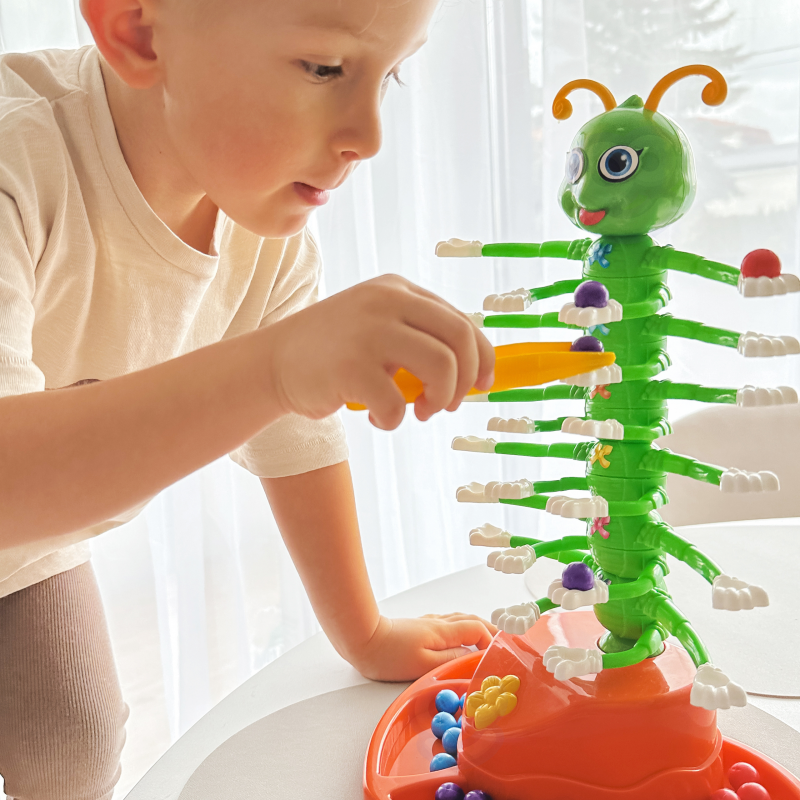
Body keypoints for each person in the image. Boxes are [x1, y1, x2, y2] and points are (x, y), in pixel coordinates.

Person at [0, 0, 497, 797]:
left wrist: (364, 632)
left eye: (391, 77)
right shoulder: (16, 157)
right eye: (324, 68)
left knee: (74, 744)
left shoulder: (262, 233)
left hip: (26, 548)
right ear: (137, 30)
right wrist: (276, 367)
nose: (369, 137)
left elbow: (298, 438)